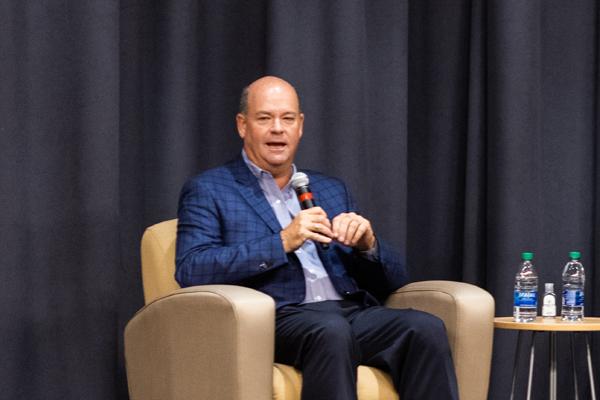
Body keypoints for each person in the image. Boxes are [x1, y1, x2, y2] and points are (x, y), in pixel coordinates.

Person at [175, 76, 458, 400]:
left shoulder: (330, 189)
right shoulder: (211, 189)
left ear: (300, 126)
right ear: (243, 125)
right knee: (331, 333)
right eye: (265, 118)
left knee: (425, 328)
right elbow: (191, 268)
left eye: (288, 118)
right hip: (276, 317)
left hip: (348, 311)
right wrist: (282, 241)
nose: (277, 129)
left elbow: (395, 280)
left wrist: (369, 245)